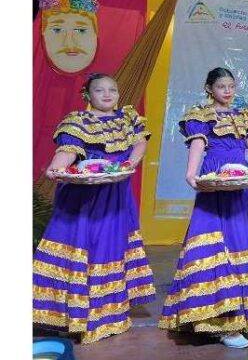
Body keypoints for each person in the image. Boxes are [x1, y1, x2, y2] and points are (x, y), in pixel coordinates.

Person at [33, 73, 156, 343]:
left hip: (116, 192)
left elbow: (140, 142)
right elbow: (68, 150)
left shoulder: (128, 118)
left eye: (112, 89)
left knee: (109, 247)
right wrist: (57, 167)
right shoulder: (78, 121)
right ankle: (73, 312)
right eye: (100, 90)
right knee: (82, 246)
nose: (108, 94)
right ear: (88, 95)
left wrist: (130, 164)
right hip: (84, 195)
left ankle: (106, 313)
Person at [159, 68, 248, 349]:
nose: (228, 91)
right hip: (215, 173)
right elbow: (198, 142)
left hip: (240, 176)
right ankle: (215, 321)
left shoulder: (244, 114)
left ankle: (240, 316)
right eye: (221, 86)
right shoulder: (201, 113)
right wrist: (191, 172)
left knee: (241, 241)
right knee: (212, 241)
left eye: (231, 86)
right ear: (209, 88)